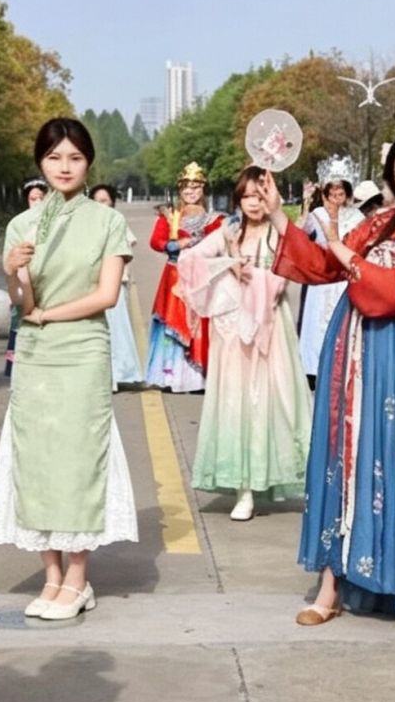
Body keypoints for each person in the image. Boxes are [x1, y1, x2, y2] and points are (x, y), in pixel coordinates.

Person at [261, 130, 395, 629]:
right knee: (343, 454)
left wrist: (348, 256)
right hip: (352, 343)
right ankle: (332, 584)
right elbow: (322, 265)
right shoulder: (380, 222)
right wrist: (278, 216)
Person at [0, 118, 137, 620]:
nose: (64, 167)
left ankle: (78, 578)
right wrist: (12, 272)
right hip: (35, 355)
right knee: (36, 460)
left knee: (78, 460)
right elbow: (23, 302)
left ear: (88, 162)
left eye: (74, 157)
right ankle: (50, 575)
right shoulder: (22, 225)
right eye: (54, 158)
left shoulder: (107, 222)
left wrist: (49, 315)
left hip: (82, 350)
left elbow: (106, 295)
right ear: (40, 163)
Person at [179, 165, 311, 521]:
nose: (253, 203)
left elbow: (291, 272)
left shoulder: (279, 232)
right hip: (233, 330)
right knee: (236, 403)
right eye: (247, 196)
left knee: (276, 400)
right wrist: (228, 265)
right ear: (238, 199)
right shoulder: (229, 231)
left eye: (259, 195)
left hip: (271, 327)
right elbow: (190, 260)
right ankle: (244, 489)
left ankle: (294, 477)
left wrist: (259, 277)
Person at [145, 163, 224, 391]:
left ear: (203, 189)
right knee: (174, 322)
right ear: (180, 190)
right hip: (175, 278)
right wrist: (174, 244)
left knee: (200, 324)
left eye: (196, 187)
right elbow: (155, 241)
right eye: (186, 187)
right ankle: (172, 376)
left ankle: (198, 376)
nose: (191, 192)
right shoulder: (170, 217)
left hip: (201, 278)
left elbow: (222, 243)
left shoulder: (214, 219)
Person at [296, 156, 366, 387]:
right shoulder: (318, 215)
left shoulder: (358, 217)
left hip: (344, 279)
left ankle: (340, 369)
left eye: (341, 188)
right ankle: (314, 369)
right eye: (332, 189)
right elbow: (299, 234)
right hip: (321, 278)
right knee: (316, 324)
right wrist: (306, 205)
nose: (336, 193)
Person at [91, 184, 146, 387]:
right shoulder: (85, 225)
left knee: (117, 328)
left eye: (104, 200)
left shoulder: (117, 221)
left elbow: (129, 245)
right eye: (96, 201)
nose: (100, 205)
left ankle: (120, 373)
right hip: (91, 284)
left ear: (112, 202)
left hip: (114, 283)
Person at [4, 179, 48, 379]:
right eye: (32, 199)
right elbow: (10, 266)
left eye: (40, 198)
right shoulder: (18, 225)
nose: (37, 202)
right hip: (24, 291)